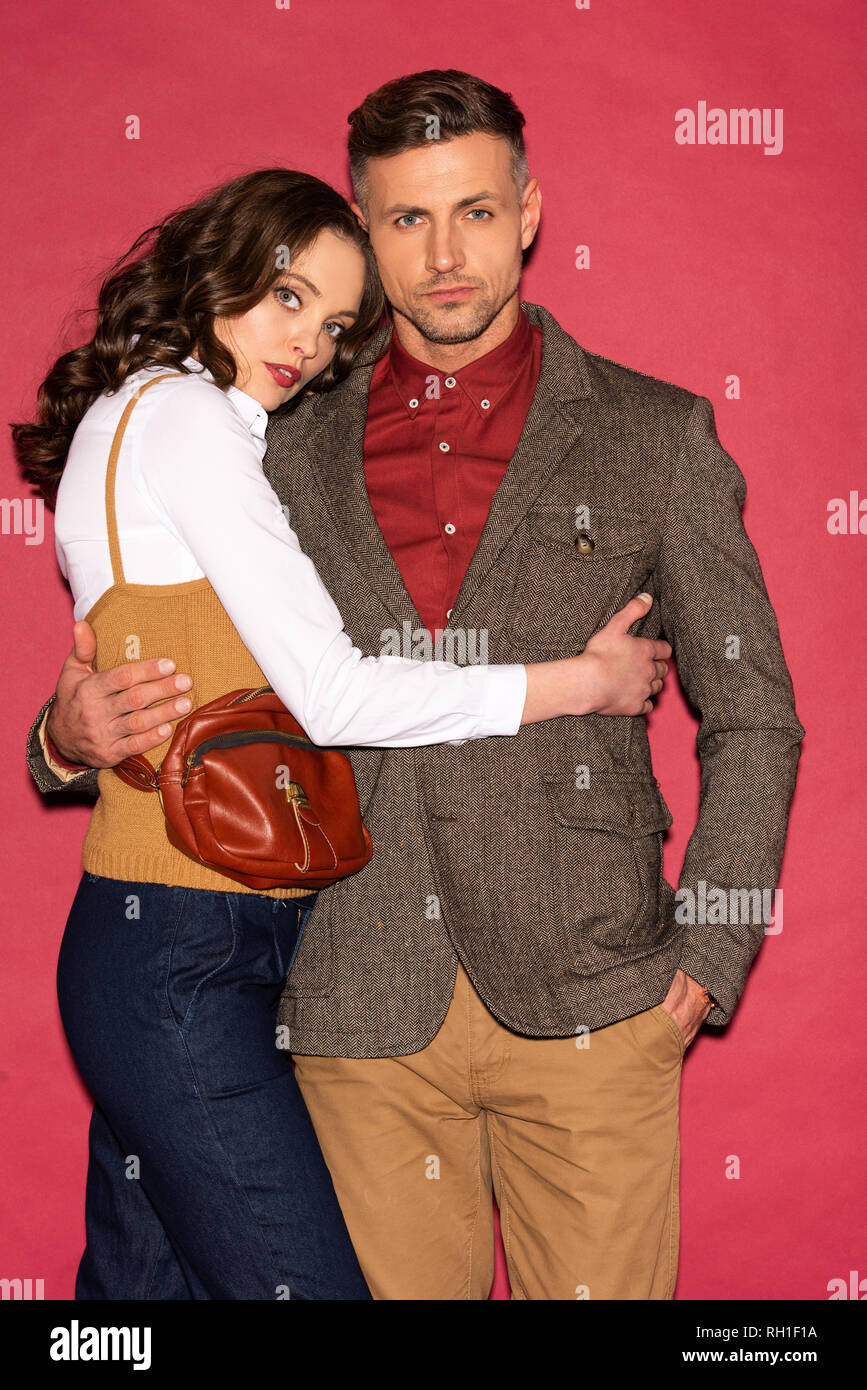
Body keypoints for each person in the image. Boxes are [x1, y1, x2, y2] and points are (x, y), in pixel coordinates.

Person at [13, 166, 671, 1301]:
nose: (308, 345)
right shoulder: (186, 421)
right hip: (189, 949)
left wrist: (65, 734)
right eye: (287, 300)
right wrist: (578, 682)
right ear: (219, 270)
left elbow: (136, 673)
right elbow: (333, 693)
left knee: (132, 1304)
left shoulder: (148, 420)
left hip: (177, 942)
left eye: (331, 324)